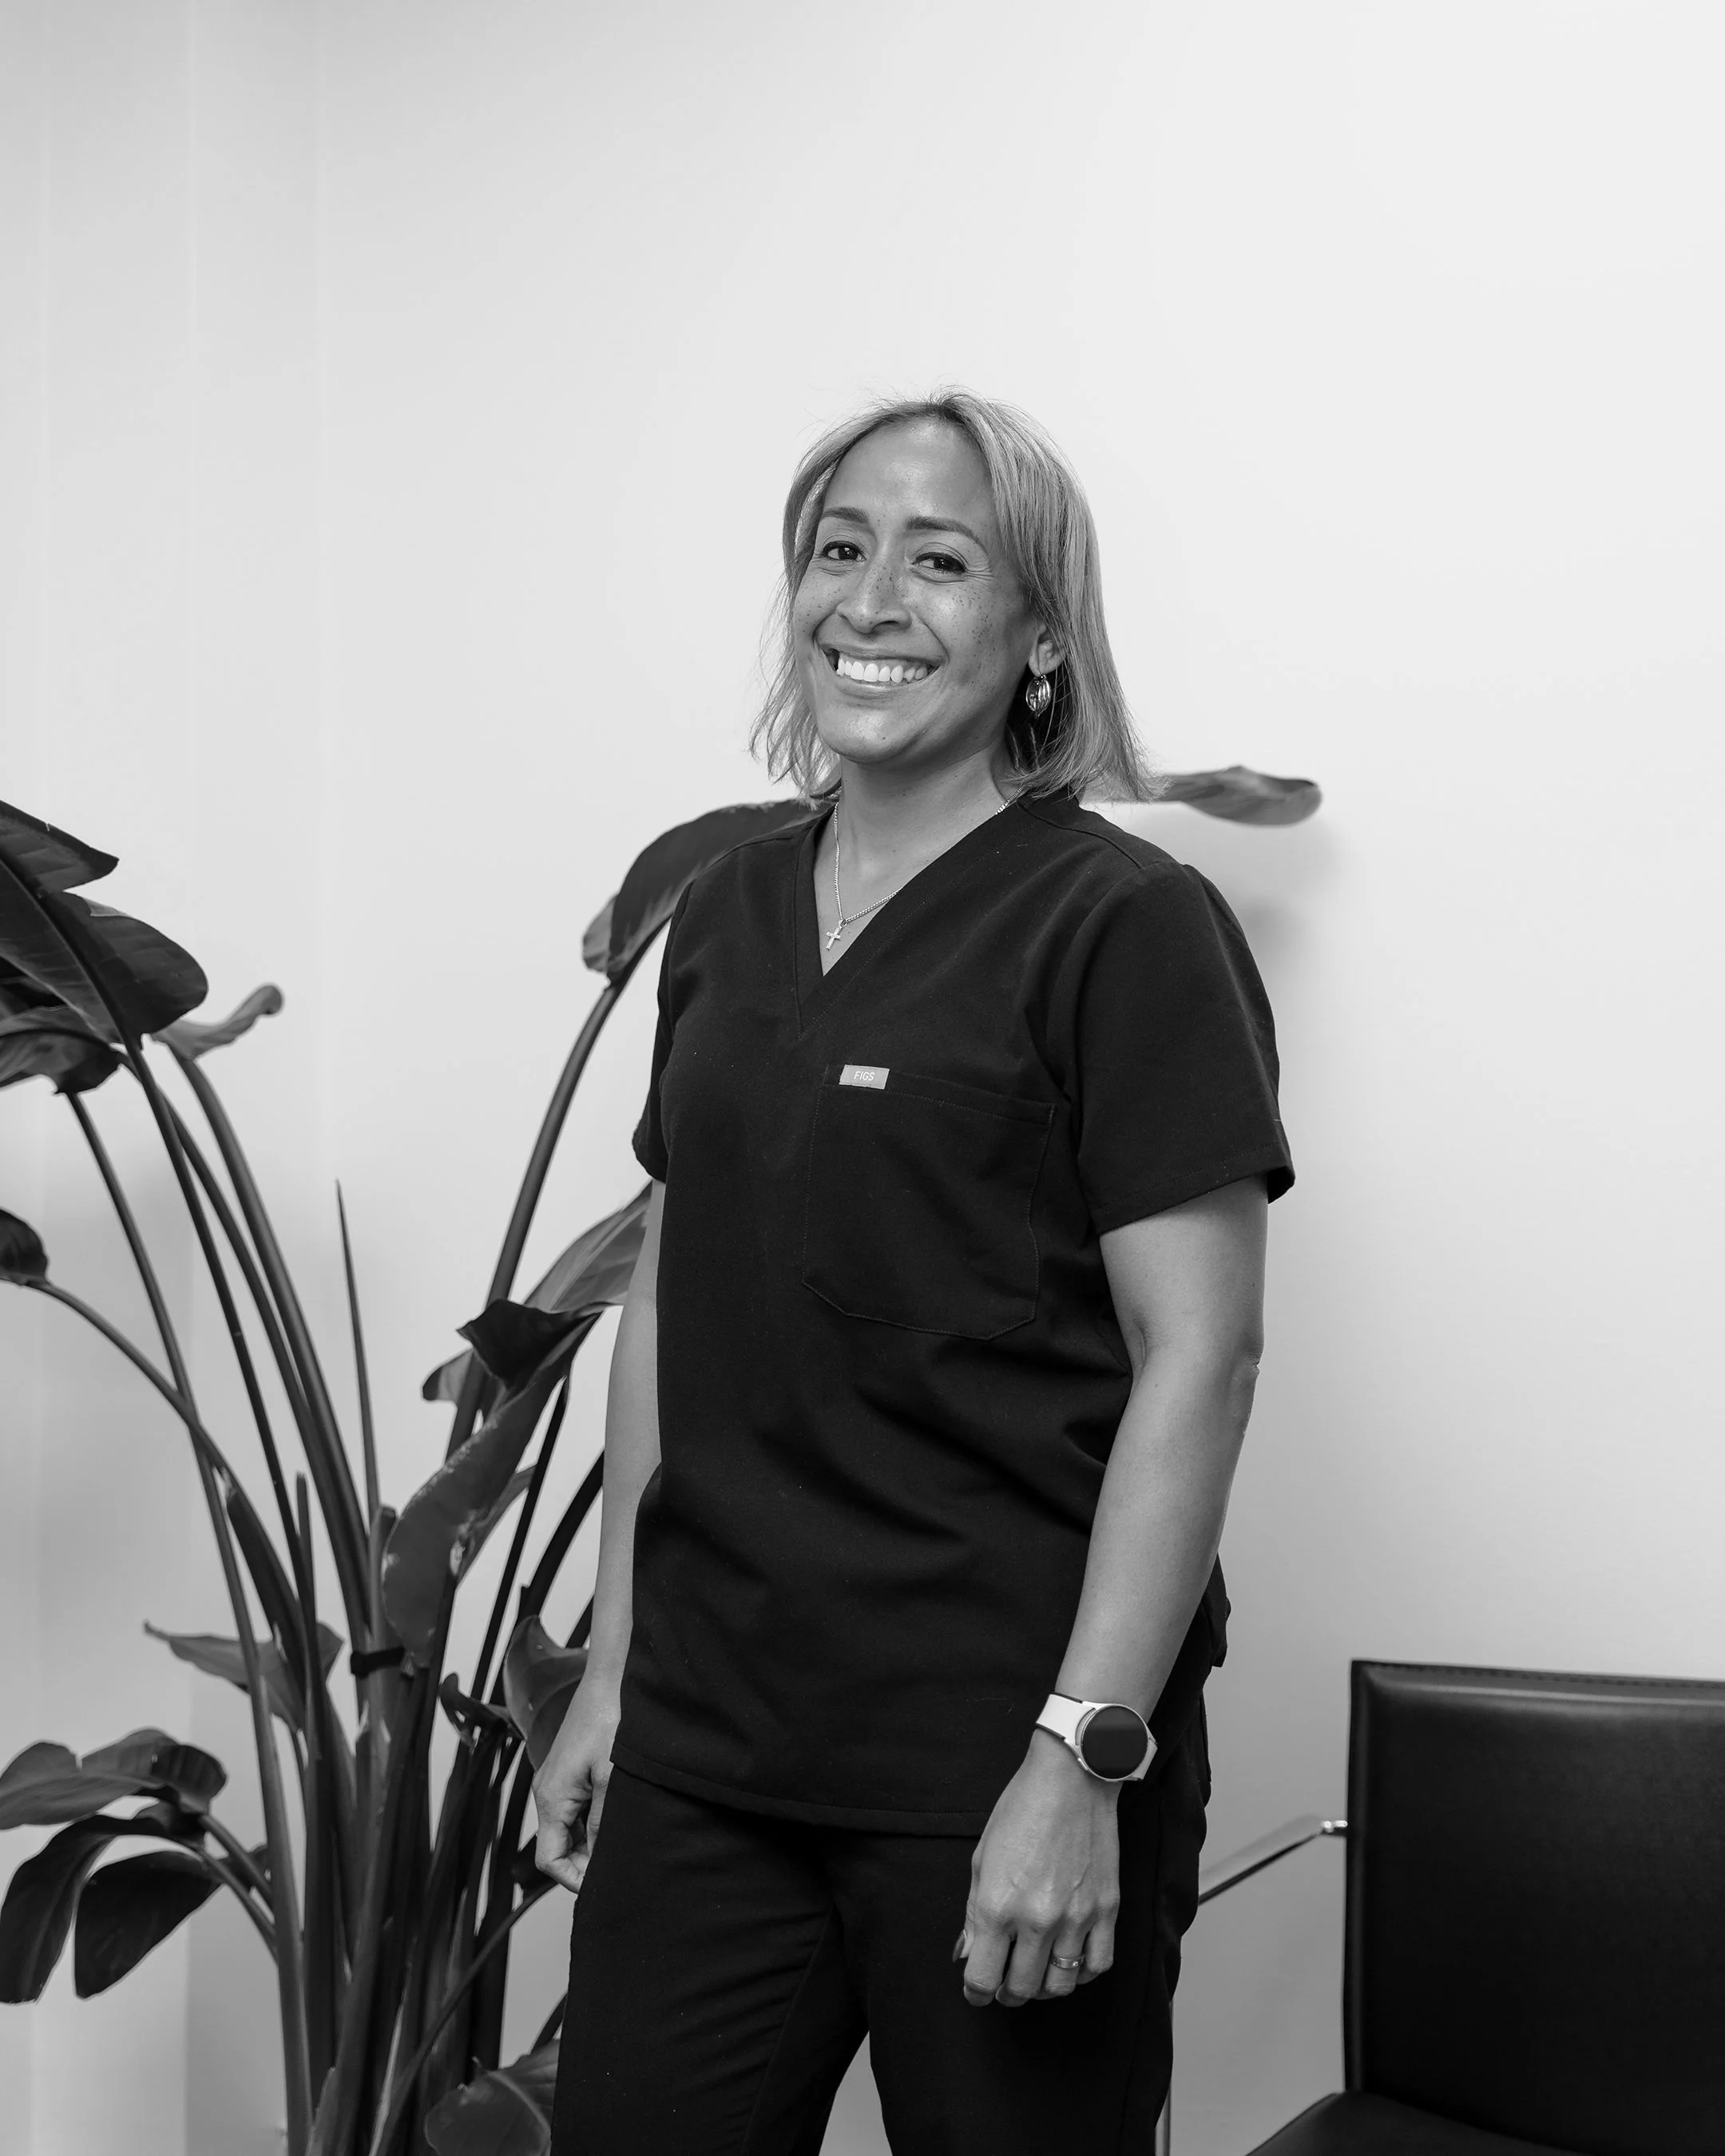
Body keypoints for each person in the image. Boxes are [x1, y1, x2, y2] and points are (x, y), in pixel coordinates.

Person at [534, 390, 1293, 2156]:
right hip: (719, 1737)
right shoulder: (727, 910)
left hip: (998, 1738)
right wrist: (615, 1671)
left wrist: (1080, 1759)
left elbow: (1205, 1358)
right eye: (838, 549)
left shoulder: (1123, 926)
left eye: (941, 562)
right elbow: (676, 1289)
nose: (872, 599)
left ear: (1037, 634)